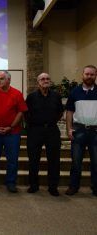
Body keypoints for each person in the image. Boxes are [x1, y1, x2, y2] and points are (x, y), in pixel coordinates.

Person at [0, 71, 27, 193]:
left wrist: (11, 127)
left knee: (12, 159)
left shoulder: (17, 94)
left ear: (9, 80)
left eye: (2, 78)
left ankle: (11, 182)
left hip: (12, 133)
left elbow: (21, 112)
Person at [25, 73, 64, 196]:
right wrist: (34, 125)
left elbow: (59, 113)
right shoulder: (31, 97)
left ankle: (53, 187)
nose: (45, 80)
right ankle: (33, 185)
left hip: (52, 130)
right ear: (38, 82)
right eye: (42, 79)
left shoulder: (56, 96)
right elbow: (26, 114)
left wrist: (50, 122)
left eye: (47, 79)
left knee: (54, 160)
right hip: (35, 131)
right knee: (33, 160)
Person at [65, 65, 97, 196]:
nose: (89, 76)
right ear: (82, 75)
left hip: (96, 132)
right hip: (79, 131)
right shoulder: (75, 92)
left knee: (96, 162)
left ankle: (96, 187)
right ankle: (73, 186)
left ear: (95, 76)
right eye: (87, 74)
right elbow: (69, 112)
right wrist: (69, 129)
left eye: (92, 74)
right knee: (76, 162)